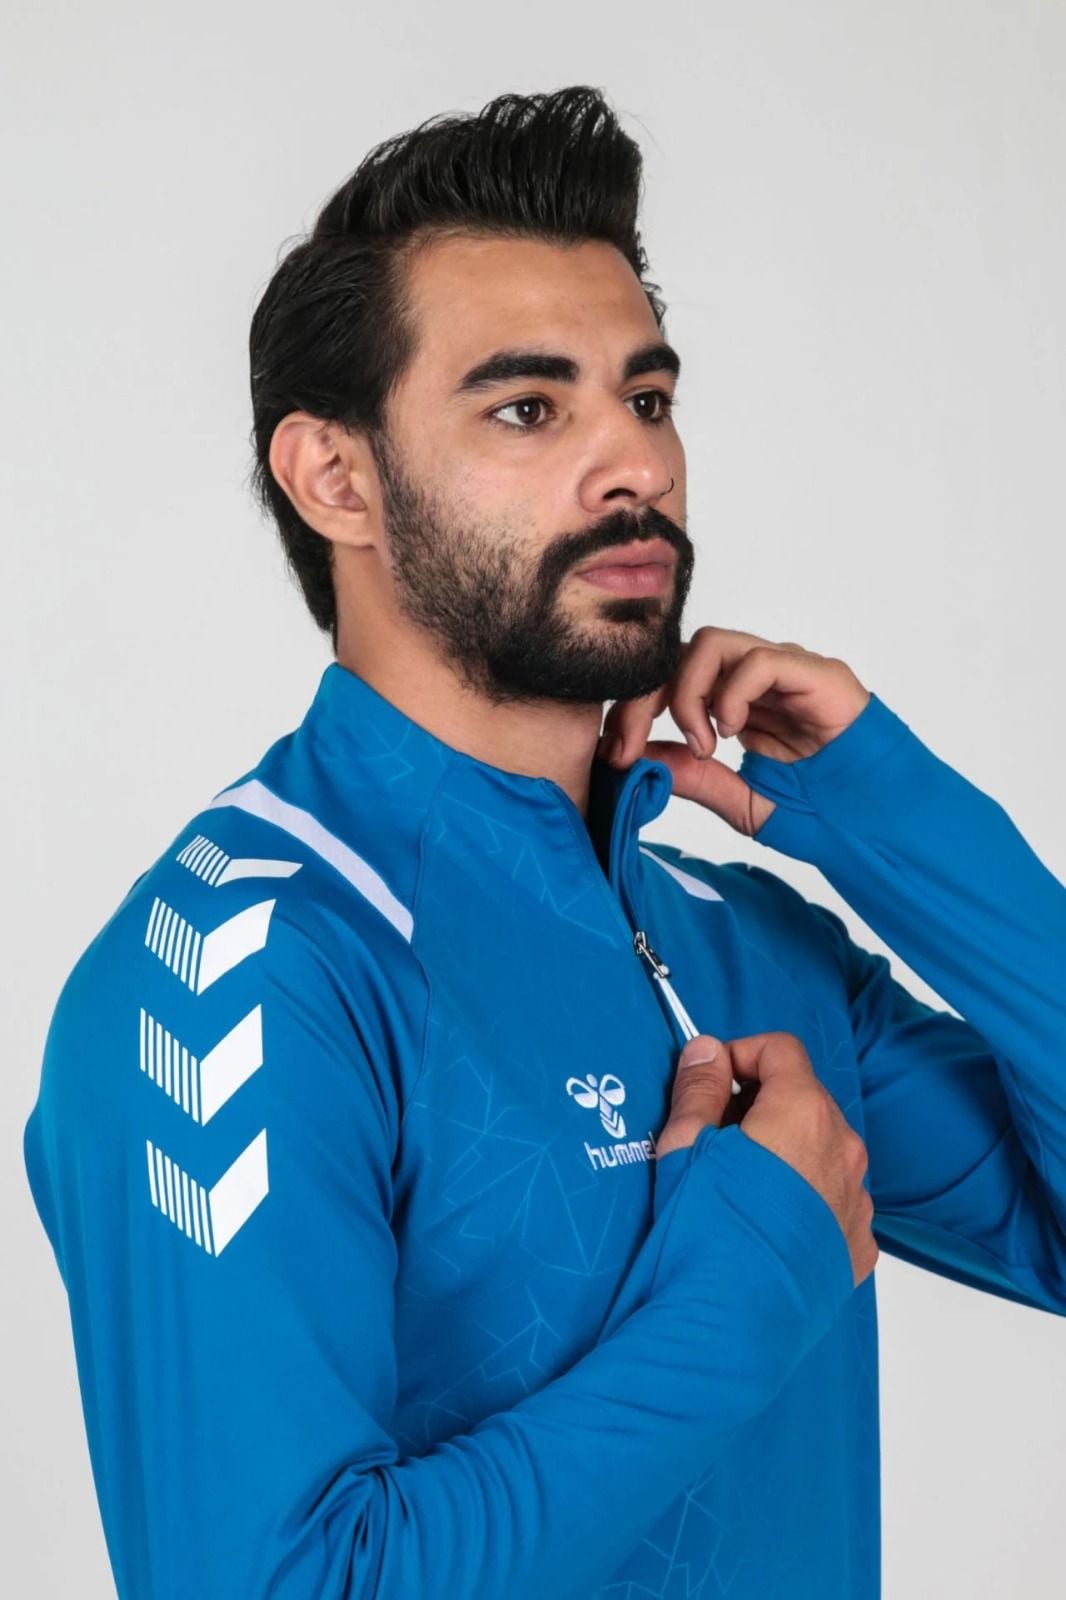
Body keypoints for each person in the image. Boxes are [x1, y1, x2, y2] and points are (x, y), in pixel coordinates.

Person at [23, 84, 1066, 1600]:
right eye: (528, 408)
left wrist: (901, 823)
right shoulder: (236, 975)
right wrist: (740, 1299)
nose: (631, 465)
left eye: (646, 398)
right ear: (336, 478)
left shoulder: (745, 944)